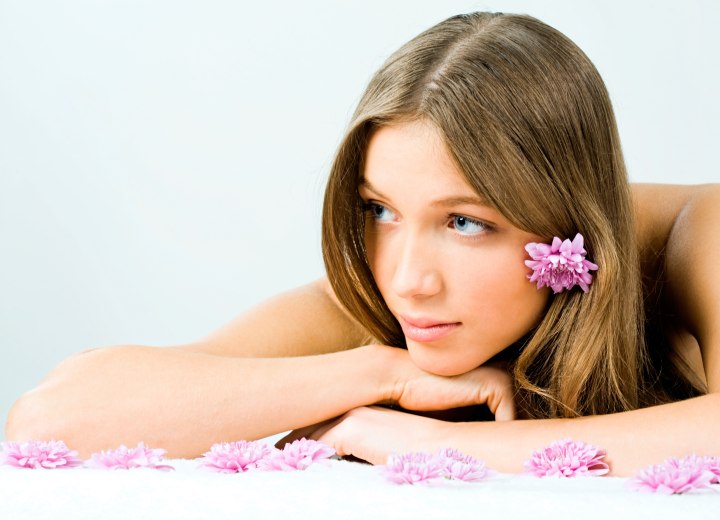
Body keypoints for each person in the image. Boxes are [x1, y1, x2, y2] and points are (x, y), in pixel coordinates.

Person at [6, 12, 719, 476]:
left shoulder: (698, 233)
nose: (407, 280)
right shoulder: (383, 303)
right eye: (381, 209)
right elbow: (53, 417)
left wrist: (433, 445)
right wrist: (378, 374)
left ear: (567, 221)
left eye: (464, 222)